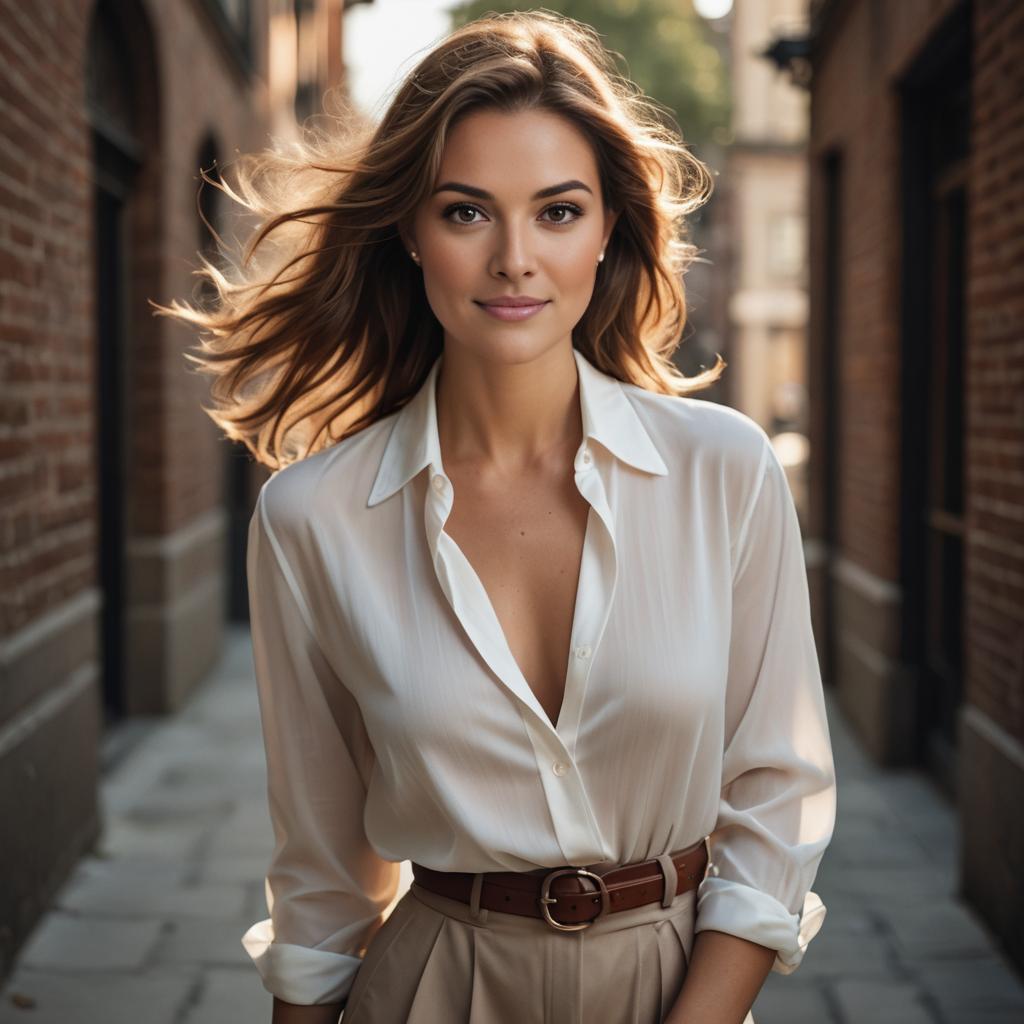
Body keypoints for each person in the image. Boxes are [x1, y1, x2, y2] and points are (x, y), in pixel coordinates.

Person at [154, 10, 836, 1023]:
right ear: (410, 232)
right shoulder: (312, 520)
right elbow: (323, 870)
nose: (515, 259)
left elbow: (776, 798)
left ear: (609, 229)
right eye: (467, 212)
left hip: (676, 983)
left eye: (557, 212)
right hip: (432, 986)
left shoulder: (723, 471)